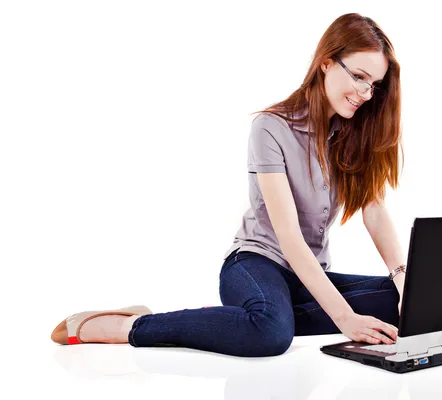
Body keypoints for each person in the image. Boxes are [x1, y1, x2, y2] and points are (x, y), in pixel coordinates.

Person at [50, 12, 406, 358]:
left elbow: (374, 211)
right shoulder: (271, 128)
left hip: (305, 279)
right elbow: (289, 238)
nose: (365, 93)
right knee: (271, 334)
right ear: (326, 62)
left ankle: (235, 321)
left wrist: (405, 281)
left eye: (373, 85)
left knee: (403, 302)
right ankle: (130, 325)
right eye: (359, 76)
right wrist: (343, 317)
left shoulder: (353, 133)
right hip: (255, 265)